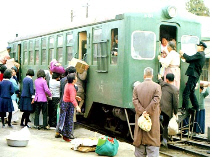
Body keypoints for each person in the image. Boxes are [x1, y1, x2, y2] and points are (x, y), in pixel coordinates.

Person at [132, 67, 162, 157]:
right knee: (153, 147)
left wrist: (142, 112)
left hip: (140, 121)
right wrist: (147, 112)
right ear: (152, 76)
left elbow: (135, 101)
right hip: (152, 121)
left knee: (139, 149)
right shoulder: (157, 87)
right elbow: (156, 100)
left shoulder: (137, 87)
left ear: (144, 75)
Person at [179, 41, 207, 118]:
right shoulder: (202, 55)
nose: (197, 47)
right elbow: (190, 60)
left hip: (193, 75)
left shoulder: (199, 54)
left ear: (201, 47)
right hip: (195, 76)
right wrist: (184, 57)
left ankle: (184, 108)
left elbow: (190, 58)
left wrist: (183, 53)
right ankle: (196, 107)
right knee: (191, 92)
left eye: (198, 46)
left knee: (186, 92)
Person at [56, 73, 81, 142]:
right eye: (75, 77)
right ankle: (68, 135)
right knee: (69, 120)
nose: (76, 78)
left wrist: (76, 96)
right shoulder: (72, 87)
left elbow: (68, 94)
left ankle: (64, 134)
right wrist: (77, 106)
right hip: (68, 104)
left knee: (64, 119)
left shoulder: (67, 85)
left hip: (64, 103)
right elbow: (72, 99)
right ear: (73, 80)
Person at [55, 66, 77, 138]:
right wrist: (77, 106)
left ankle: (58, 132)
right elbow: (73, 95)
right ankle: (69, 133)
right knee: (70, 118)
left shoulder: (62, 80)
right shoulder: (72, 84)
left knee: (61, 117)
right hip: (69, 102)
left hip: (62, 100)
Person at [158, 73, 178, 147]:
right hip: (167, 110)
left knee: (158, 123)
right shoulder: (175, 89)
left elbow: (160, 81)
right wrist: (175, 112)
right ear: (173, 79)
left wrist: (159, 77)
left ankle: (157, 139)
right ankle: (164, 140)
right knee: (166, 124)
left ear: (166, 80)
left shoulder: (163, 85)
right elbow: (175, 102)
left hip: (160, 109)